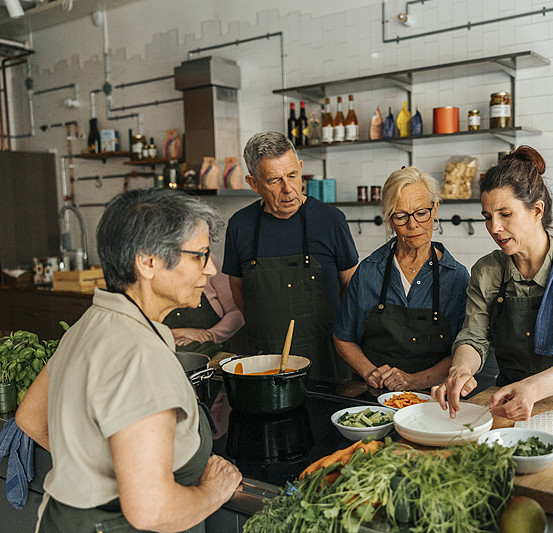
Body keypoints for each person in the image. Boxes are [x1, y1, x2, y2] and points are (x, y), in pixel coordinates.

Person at [15, 189, 242, 532]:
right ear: (148, 262)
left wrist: (101, 470)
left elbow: (30, 417)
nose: (211, 268)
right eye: (199, 255)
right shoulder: (140, 356)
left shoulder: (90, 324)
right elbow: (151, 511)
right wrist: (213, 490)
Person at [432, 146, 553, 421]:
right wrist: (461, 370)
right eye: (487, 217)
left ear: (537, 211)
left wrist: (531, 390)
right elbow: (474, 336)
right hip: (504, 402)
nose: (494, 227)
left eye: (505, 214)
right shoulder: (487, 271)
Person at [223, 132, 359, 381]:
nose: (288, 190)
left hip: (324, 359)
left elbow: (349, 287)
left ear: (301, 168)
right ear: (253, 184)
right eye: (274, 181)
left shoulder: (331, 220)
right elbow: (237, 290)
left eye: (293, 176)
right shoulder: (240, 226)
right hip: (261, 362)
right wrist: (267, 328)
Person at [333, 167, 470, 391]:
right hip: (376, 395)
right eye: (401, 216)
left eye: (421, 212)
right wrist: (371, 373)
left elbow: (461, 351)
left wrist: (414, 381)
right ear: (389, 219)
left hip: (435, 397)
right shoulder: (368, 272)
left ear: (435, 210)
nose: (413, 224)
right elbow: (343, 338)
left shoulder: (457, 277)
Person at [163, 252, 245, 349]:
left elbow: (237, 311)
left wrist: (208, 336)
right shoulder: (152, 270)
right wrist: (176, 333)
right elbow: (143, 330)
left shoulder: (208, 262)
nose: (211, 271)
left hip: (217, 353)